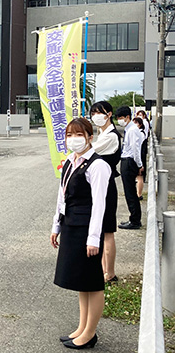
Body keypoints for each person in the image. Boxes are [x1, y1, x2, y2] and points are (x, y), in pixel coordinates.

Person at [51, 117, 111, 350]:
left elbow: (99, 205)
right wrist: (56, 226)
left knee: (92, 282)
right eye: (69, 135)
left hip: (87, 229)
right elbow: (61, 196)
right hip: (70, 225)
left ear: (90, 137)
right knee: (80, 281)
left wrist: (94, 238)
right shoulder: (69, 161)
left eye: (78, 135)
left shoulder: (98, 166)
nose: (73, 139)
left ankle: (90, 333)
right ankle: (82, 327)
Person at [90, 101, 121, 284]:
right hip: (99, 185)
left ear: (109, 114)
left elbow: (89, 152)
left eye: (99, 113)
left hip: (107, 186)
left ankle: (110, 274)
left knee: (107, 231)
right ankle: (104, 270)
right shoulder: (103, 134)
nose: (96, 116)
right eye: (93, 113)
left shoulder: (111, 137)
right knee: (100, 230)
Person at [116, 106, 144, 230]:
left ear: (128, 117)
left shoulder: (132, 130)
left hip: (129, 161)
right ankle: (134, 218)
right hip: (127, 160)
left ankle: (135, 220)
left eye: (121, 118)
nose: (119, 120)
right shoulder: (129, 129)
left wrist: (139, 165)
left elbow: (135, 149)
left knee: (130, 192)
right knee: (129, 191)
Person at [135, 111, 150, 201]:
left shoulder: (140, 133)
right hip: (140, 153)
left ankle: (139, 194)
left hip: (140, 154)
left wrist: (139, 163)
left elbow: (137, 147)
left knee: (139, 175)